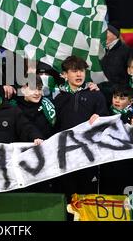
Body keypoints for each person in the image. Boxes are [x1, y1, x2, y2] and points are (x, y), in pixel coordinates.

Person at [52, 55, 109, 197]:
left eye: (82, 70)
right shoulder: (58, 98)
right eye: (74, 71)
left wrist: (100, 118)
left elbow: (106, 121)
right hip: (66, 153)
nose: (79, 74)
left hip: (89, 153)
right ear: (64, 75)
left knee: (88, 194)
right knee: (68, 193)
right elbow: (54, 126)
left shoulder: (96, 95)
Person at [15, 74, 56, 139]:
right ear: (23, 90)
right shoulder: (15, 109)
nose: (37, 93)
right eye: (33, 89)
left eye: (39, 89)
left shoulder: (48, 104)